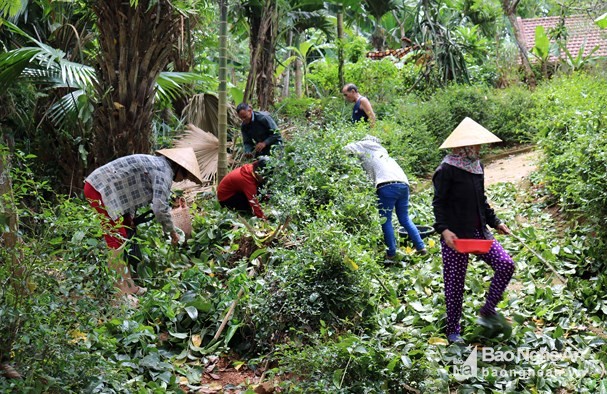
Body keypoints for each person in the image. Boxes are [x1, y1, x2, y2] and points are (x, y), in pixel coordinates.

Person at [432, 117, 515, 344]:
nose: (479, 149)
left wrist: (496, 222)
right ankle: (453, 330)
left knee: (506, 264)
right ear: (464, 146)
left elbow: (481, 200)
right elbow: (438, 203)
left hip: (479, 232)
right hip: (456, 236)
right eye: (476, 145)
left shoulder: (477, 167)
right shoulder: (446, 170)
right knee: (455, 282)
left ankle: (488, 310)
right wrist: (443, 230)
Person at [84, 148, 203, 296]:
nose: (183, 180)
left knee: (123, 235)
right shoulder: (164, 172)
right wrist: (172, 232)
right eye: (185, 176)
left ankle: (130, 286)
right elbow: (159, 208)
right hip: (100, 189)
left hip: (105, 189)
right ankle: (121, 293)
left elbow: (129, 193)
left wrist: (130, 218)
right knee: (117, 239)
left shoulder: (158, 165)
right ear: (178, 168)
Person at [345, 135, 427, 261]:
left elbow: (345, 149)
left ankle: (391, 254)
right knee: (404, 218)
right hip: (403, 184)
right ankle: (421, 247)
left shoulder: (362, 145)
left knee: (386, 220)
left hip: (386, 185)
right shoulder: (382, 151)